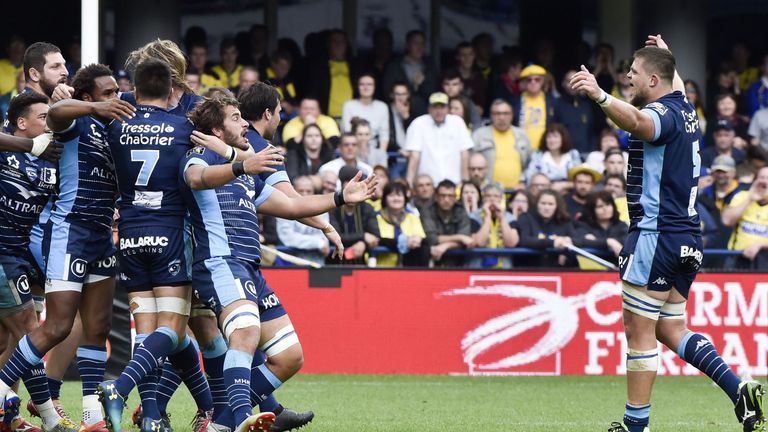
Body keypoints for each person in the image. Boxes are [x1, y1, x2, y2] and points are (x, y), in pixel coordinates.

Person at [570, 34, 764, 432]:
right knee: (670, 327)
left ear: (655, 82)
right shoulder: (686, 107)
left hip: (655, 236)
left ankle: (633, 426)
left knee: (638, 332)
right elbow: (671, 80)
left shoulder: (661, 113)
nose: (628, 77)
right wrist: (668, 57)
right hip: (687, 240)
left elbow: (640, 121)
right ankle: (739, 387)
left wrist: (600, 96)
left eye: (635, 73)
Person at [178, 92, 376, 431]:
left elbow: (292, 206)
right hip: (220, 262)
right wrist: (242, 164)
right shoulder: (200, 155)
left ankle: (219, 426)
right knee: (245, 332)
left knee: (290, 357)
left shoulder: (246, 172)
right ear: (217, 129)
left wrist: (341, 198)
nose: (244, 124)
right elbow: (195, 178)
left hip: (251, 269)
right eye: (236, 118)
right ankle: (240, 418)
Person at [42, 64, 137, 432]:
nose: (116, 97)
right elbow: (55, 113)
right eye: (108, 93)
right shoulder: (77, 121)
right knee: (58, 327)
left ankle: (91, 415)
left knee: (96, 327)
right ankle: (6, 394)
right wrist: (95, 109)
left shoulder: (114, 131)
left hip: (101, 237)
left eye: (118, 91)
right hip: (71, 231)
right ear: (88, 97)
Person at [0, 92, 77, 432]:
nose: (50, 123)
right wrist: (28, 146)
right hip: (2, 253)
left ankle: (9, 416)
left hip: (22, 256)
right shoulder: (8, 150)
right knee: (30, 329)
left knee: (8, 341)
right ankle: (48, 417)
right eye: (43, 117)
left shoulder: (52, 159)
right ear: (20, 123)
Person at [405, 92, 473, 185]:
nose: (439, 111)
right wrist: (409, 183)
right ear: (429, 109)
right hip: (427, 184)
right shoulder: (418, 124)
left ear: (448, 108)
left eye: (442, 107)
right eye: (435, 107)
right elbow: (414, 156)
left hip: (454, 182)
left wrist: (465, 182)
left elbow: (464, 154)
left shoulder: (457, 122)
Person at [472, 99, 532, 189]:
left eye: (506, 113)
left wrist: (523, 181)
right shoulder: (479, 135)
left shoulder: (522, 135)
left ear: (512, 115)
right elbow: (471, 164)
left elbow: (530, 163)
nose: (502, 117)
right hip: (488, 191)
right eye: (497, 114)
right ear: (491, 116)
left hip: (516, 192)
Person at [328, 166, 380, 264]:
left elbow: (375, 237)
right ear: (343, 185)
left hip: (362, 265)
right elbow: (335, 237)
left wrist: (363, 244)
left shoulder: (367, 208)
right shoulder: (333, 208)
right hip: (334, 265)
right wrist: (363, 237)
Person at [515, 189, 578, 268]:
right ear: (537, 204)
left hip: (559, 270)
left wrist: (566, 243)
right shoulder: (526, 217)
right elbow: (524, 240)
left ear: (557, 206)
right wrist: (553, 243)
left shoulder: (564, 221)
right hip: (530, 268)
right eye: (543, 203)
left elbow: (577, 240)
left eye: (551, 204)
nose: (546, 207)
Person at [722, 166, 768, 269]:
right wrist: (750, 199)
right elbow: (727, 221)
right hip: (738, 258)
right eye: (761, 177)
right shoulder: (742, 196)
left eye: (767, 178)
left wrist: (760, 245)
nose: (764, 181)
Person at [381, 30, 439, 113]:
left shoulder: (430, 66)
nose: (419, 47)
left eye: (422, 43)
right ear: (407, 45)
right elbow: (388, 92)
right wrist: (414, 86)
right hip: (399, 112)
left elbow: (434, 90)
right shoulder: (394, 66)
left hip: (426, 112)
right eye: (416, 43)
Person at [420, 180, 473, 266]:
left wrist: (446, 246)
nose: (446, 199)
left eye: (450, 196)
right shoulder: (427, 211)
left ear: (455, 197)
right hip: (431, 263)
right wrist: (460, 237)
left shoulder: (461, 212)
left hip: (458, 264)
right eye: (443, 196)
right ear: (436, 197)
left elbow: (467, 241)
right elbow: (431, 239)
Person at [375, 182, 429, 267]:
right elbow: (376, 240)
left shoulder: (412, 217)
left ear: (405, 199)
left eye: (399, 195)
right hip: (381, 268)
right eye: (391, 195)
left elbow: (420, 238)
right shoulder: (376, 217)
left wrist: (416, 240)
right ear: (385, 198)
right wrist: (403, 242)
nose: (396, 198)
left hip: (409, 269)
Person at [468, 183, 519, 269]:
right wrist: (487, 217)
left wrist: (502, 218)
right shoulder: (474, 216)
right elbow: (479, 242)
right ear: (483, 199)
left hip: (504, 268)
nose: (492, 199)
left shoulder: (509, 217)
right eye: (488, 196)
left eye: (496, 196)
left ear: (501, 199)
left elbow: (511, 243)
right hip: (478, 267)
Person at [524, 123, 582, 191]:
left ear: (563, 139)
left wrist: (564, 185)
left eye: (555, 136)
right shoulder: (538, 155)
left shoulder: (573, 155)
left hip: (570, 193)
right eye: (549, 137)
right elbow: (530, 178)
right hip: (543, 193)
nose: (552, 140)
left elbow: (581, 180)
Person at [575, 190, 628, 263]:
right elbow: (579, 241)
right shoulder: (583, 225)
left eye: (608, 204)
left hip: (617, 268)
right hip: (589, 269)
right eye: (600, 206)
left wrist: (596, 241)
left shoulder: (622, 225)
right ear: (592, 210)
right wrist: (609, 242)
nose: (605, 209)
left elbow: (626, 242)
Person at [511, 64, 557, 149]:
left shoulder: (552, 101)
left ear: (542, 81)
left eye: (537, 79)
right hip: (521, 148)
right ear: (524, 82)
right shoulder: (515, 102)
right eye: (529, 80)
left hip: (545, 148)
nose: (533, 82)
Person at [341, 73, 390, 152]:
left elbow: (384, 135)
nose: (366, 87)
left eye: (369, 84)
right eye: (362, 84)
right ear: (357, 87)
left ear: (374, 87)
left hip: (374, 150)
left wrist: (380, 156)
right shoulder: (349, 105)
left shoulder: (382, 107)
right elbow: (348, 132)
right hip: (352, 149)